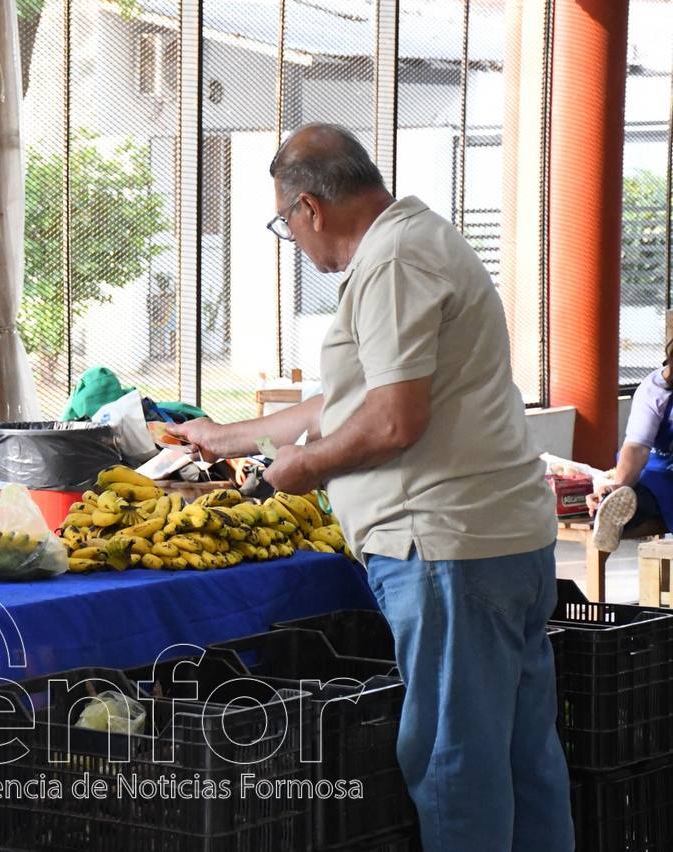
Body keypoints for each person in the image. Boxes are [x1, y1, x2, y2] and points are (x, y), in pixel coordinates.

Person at [167, 124, 572, 851]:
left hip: (446, 549)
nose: (292, 239)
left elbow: (391, 421)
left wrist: (298, 470)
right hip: (499, 541)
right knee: (520, 756)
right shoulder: (418, 240)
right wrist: (228, 436)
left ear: (309, 209)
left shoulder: (392, 261)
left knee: (456, 762)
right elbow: (350, 401)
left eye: (283, 222)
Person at [586, 338, 673, 551]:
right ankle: (612, 505)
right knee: (638, 495)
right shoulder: (655, 390)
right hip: (654, 469)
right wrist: (620, 485)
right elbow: (637, 446)